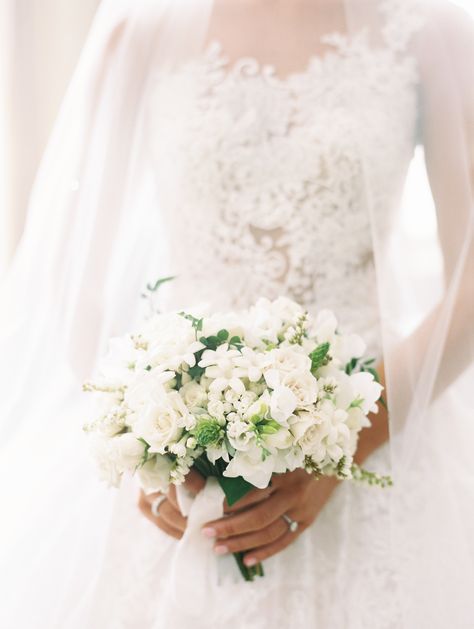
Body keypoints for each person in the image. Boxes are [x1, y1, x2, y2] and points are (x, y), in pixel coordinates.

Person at [0, 1, 472, 628]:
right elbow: (74, 276)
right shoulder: (141, 33)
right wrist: (144, 440)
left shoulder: (428, 34)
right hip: (179, 446)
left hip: (372, 422)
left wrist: (347, 442)